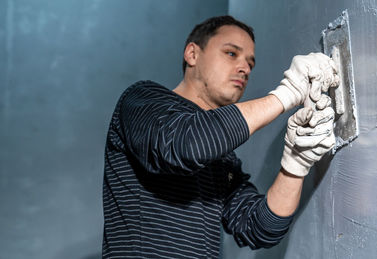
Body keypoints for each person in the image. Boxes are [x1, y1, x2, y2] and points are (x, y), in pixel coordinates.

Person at [102, 15, 339, 258]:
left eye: (250, 63)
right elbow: (185, 145)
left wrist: (295, 164)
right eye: (231, 53)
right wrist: (286, 95)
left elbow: (260, 229)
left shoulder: (222, 158)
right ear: (192, 54)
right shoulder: (143, 100)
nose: (244, 68)